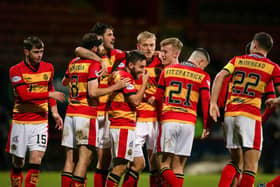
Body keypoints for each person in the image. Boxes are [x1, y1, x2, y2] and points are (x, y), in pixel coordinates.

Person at [210, 32, 280, 187]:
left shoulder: (237, 60)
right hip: (250, 116)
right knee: (250, 167)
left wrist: (213, 103)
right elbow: (275, 97)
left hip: (231, 114)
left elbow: (220, 76)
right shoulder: (272, 67)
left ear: (254, 44)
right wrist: (276, 100)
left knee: (235, 161)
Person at [60, 33, 129, 187]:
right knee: (85, 159)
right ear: (94, 48)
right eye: (99, 46)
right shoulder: (94, 64)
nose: (101, 49)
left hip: (70, 113)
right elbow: (93, 92)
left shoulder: (73, 62)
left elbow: (65, 82)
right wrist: (115, 87)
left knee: (69, 159)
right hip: (85, 113)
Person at [6, 36, 65, 187]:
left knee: (36, 159)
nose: (40, 55)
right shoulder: (15, 70)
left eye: (42, 51)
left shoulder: (48, 68)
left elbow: (50, 89)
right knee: (18, 161)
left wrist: (55, 112)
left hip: (40, 122)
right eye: (36, 52)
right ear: (26, 52)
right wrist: (49, 95)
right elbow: (24, 96)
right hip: (21, 122)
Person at [154, 40, 211, 187]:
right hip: (189, 123)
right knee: (179, 167)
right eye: (204, 65)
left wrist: (160, 118)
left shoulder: (167, 71)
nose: (203, 68)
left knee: (164, 165)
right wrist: (206, 125)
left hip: (169, 120)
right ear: (200, 61)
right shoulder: (203, 75)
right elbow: (206, 101)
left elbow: (158, 98)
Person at [121, 31, 163, 187]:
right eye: (145, 45)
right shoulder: (131, 62)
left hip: (156, 119)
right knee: (134, 164)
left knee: (156, 165)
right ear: (138, 46)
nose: (149, 48)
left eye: (152, 45)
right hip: (137, 119)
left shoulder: (161, 63)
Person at [105, 50, 149, 187]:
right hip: (122, 125)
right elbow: (135, 101)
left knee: (139, 163)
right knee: (120, 167)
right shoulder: (125, 78)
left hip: (125, 125)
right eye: (141, 67)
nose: (143, 71)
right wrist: (144, 84)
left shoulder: (120, 73)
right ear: (131, 65)